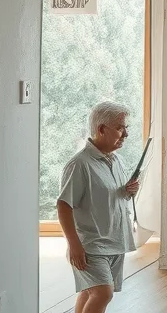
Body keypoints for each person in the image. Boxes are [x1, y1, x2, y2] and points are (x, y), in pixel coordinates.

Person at [57, 102, 140, 313]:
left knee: (89, 291)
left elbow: (111, 196)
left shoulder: (117, 160)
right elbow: (64, 204)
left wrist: (128, 190)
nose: (126, 134)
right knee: (103, 292)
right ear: (102, 129)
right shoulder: (79, 164)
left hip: (115, 240)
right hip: (91, 244)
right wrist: (74, 244)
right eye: (121, 128)